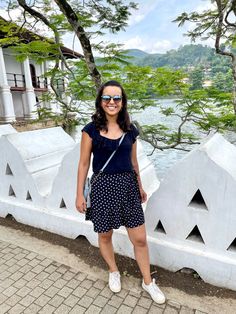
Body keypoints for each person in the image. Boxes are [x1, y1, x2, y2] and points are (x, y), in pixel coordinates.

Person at [76, 80, 165, 304]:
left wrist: (140, 186)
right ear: (100, 101)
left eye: (117, 98)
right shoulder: (90, 130)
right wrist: (79, 194)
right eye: (107, 98)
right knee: (105, 235)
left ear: (123, 102)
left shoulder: (130, 129)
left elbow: (133, 162)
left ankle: (148, 282)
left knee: (140, 239)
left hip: (128, 187)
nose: (112, 102)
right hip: (103, 187)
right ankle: (113, 270)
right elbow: (84, 164)